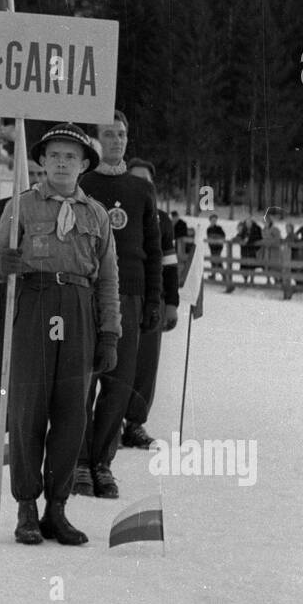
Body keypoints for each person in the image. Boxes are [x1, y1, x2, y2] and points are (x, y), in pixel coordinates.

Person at [0, 123, 120, 547]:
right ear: (41, 161)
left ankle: (56, 509)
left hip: (78, 309)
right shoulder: (20, 207)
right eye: (55, 156)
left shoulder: (96, 214)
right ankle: (26, 506)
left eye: (71, 157)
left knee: (71, 413)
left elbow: (108, 280)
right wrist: (2, 265)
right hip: (35, 304)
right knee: (28, 411)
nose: (62, 163)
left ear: (83, 166)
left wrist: (109, 333)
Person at [73, 111, 162, 499]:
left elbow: (154, 251)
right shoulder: (83, 183)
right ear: (97, 140)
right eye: (109, 134)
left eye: (122, 134)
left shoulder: (141, 190)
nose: (117, 140)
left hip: (131, 294)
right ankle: (78, 462)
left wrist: (154, 300)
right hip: (88, 292)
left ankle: (102, 463)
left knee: (119, 383)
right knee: (83, 381)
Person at [121, 159, 179, 449]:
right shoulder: (117, 213)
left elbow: (169, 265)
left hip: (152, 299)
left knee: (145, 364)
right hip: (120, 296)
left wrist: (172, 304)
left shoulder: (162, 220)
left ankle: (134, 423)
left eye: (147, 182)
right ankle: (106, 422)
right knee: (115, 361)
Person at [0, 158, 42, 404]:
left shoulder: (52, 207)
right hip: (9, 297)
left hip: (40, 296)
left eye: (38, 172)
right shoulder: (3, 207)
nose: (34, 177)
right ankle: (6, 425)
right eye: (28, 172)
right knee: (7, 363)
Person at [235, 216, 263, 283]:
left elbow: (258, 237)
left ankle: (251, 280)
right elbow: (240, 235)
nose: (248, 224)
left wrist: (248, 240)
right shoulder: (244, 229)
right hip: (244, 251)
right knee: (243, 266)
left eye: (249, 222)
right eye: (247, 223)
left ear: (252, 222)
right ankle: (245, 279)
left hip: (253, 250)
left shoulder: (256, 228)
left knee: (252, 266)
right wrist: (239, 240)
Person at [206, 212, 226, 281]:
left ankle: (223, 276)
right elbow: (209, 238)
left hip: (218, 247)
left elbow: (223, 236)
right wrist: (214, 238)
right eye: (212, 220)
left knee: (217, 261)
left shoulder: (219, 228)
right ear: (210, 220)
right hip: (212, 247)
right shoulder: (208, 229)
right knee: (214, 261)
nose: (214, 221)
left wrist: (216, 238)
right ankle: (215, 275)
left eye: (215, 220)